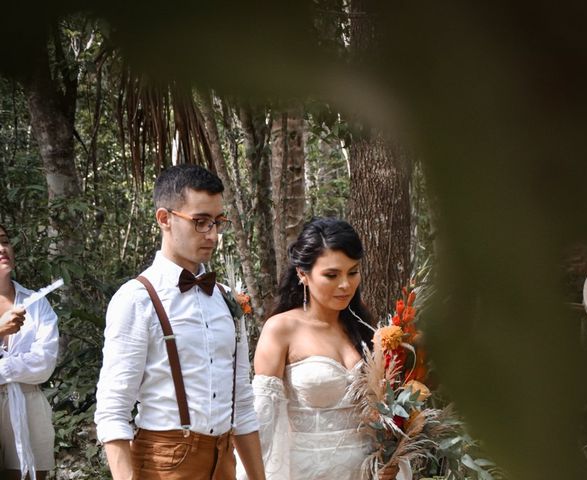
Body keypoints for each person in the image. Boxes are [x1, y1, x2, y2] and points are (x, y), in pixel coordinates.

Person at [94, 164, 265, 480]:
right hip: (164, 462)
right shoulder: (137, 298)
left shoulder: (227, 298)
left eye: (217, 222)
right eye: (200, 222)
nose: (212, 235)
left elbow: (241, 401)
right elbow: (113, 410)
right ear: (164, 219)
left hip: (225, 460)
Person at [243, 217, 408, 480]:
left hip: (366, 472)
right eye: (332, 275)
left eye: (353, 272)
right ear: (302, 274)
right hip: (306, 471)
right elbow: (264, 418)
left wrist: (389, 459)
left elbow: (383, 413)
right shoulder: (281, 329)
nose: (345, 285)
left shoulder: (366, 329)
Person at [0, 224, 59, 480]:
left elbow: (44, 363)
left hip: (28, 402)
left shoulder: (36, 302)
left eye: (4, 240)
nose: (2, 248)